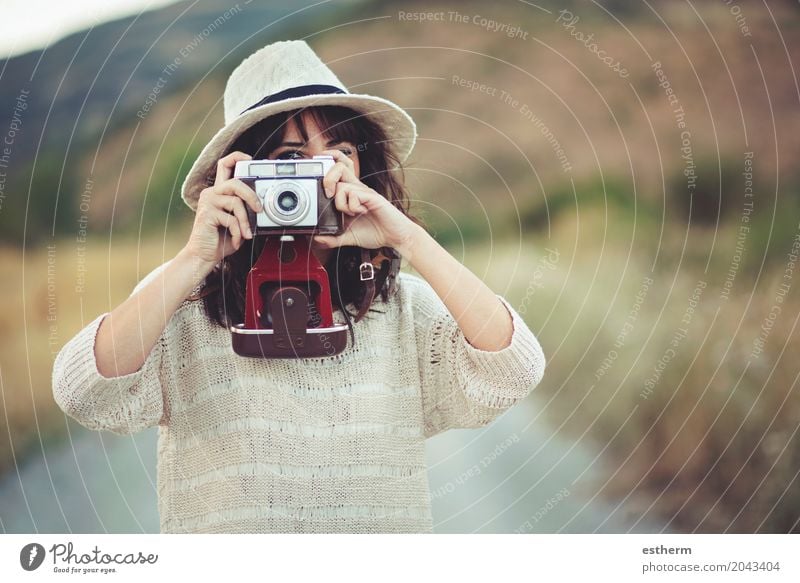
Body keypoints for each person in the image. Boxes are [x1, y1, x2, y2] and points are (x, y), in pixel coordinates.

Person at [52, 40, 546, 533]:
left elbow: (513, 370)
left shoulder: (401, 308)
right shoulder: (184, 299)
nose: (318, 177)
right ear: (242, 178)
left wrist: (408, 237)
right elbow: (84, 393)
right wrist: (195, 259)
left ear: (363, 168)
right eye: (291, 157)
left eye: (339, 153)